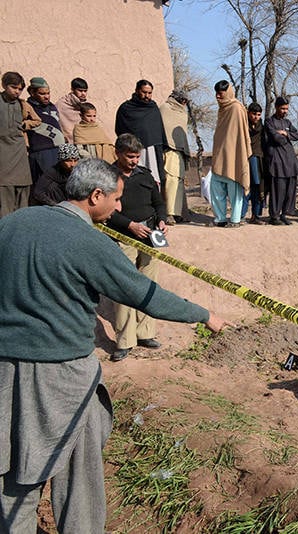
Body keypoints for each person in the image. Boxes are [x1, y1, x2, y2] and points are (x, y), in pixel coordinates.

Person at [0, 158, 229, 534]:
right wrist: (203, 314)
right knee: (79, 473)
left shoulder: (10, 224)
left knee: (15, 473)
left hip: (5, 373)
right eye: (117, 199)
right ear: (95, 196)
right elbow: (144, 294)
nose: (120, 208)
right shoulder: (88, 241)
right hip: (63, 379)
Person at [106, 134, 168, 362]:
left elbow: (158, 202)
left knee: (148, 285)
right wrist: (129, 226)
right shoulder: (107, 177)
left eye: (137, 156)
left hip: (150, 236)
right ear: (118, 153)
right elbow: (105, 212)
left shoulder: (145, 175)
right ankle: (124, 341)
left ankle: (145, 334)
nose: (134, 161)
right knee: (124, 287)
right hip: (123, 236)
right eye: (130, 156)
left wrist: (162, 220)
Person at [209, 80, 251, 228]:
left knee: (235, 192)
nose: (218, 97)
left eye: (220, 94)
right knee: (216, 188)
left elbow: (240, 136)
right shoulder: (222, 109)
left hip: (234, 157)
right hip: (220, 155)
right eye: (217, 94)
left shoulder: (237, 108)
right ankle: (220, 218)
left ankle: (235, 219)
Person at [115, 79, 168, 186]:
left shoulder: (153, 108)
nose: (147, 96)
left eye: (149, 93)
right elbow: (120, 129)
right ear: (137, 90)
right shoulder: (126, 108)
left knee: (153, 179)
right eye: (144, 92)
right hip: (132, 150)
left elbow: (158, 131)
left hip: (151, 151)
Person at [0, 71, 38, 217]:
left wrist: (25, 124)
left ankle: (21, 220)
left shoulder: (23, 105)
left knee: (23, 186)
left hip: (19, 149)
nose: (17, 91)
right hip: (3, 150)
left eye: (20, 88)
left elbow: (37, 120)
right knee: (4, 188)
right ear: (4, 85)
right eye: (13, 87)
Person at [265, 96, 298, 225]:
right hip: (277, 162)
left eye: (286, 109)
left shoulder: (287, 123)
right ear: (276, 107)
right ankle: (274, 216)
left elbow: (297, 135)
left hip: (290, 162)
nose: (285, 111)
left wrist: (285, 133)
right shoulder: (269, 121)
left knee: (289, 191)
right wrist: (283, 136)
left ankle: (284, 214)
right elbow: (276, 139)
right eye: (282, 108)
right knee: (277, 191)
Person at [159, 89, 192, 225]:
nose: (184, 104)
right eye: (183, 101)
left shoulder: (183, 113)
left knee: (177, 183)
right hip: (167, 150)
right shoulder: (164, 108)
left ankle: (177, 212)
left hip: (179, 152)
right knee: (170, 182)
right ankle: (168, 213)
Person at [26, 77, 65, 184]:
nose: (46, 97)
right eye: (42, 94)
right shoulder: (27, 108)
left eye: (48, 93)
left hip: (58, 150)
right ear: (32, 93)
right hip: (41, 153)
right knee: (45, 184)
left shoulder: (52, 107)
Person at [243, 102, 267, 224]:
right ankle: (240, 216)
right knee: (246, 188)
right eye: (254, 114)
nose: (256, 117)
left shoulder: (261, 126)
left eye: (258, 115)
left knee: (258, 188)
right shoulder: (243, 124)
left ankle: (255, 216)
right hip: (246, 159)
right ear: (248, 113)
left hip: (259, 159)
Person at [55, 77, 88, 143]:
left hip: (84, 140)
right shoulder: (61, 104)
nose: (83, 94)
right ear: (72, 89)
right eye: (80, 91)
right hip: (68, 143)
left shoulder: (85, 105)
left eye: (85, 91)